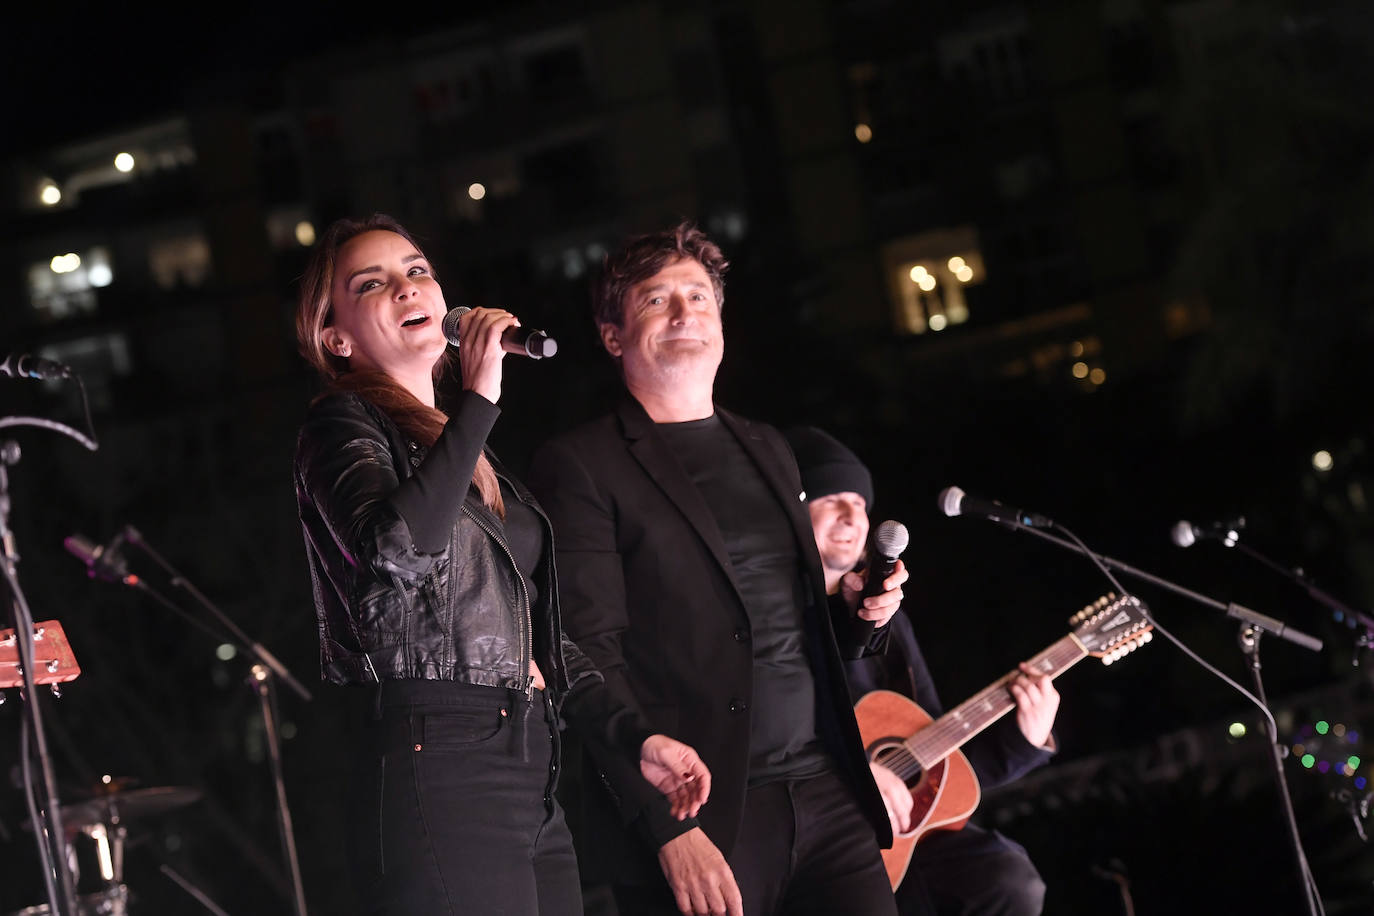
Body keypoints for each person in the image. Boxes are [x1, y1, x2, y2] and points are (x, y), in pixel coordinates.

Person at [291, 214, 713, 915]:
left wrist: (632, 734)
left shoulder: (463, 455)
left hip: (528, 759)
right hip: (440, 752)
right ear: (335, 337)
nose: (406, 287)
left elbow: (534, 632)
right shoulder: (340, 425)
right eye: (374, 283)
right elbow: (394, 553)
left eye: (417, 269)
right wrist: (481, 402)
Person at [525, 222, 908, 916]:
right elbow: (580, 649)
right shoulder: (582, 464)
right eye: (656, 301)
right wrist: (666, 827)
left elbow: (800, 630)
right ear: (613, 336)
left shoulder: (768, 446)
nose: (684, 314)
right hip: (701, 810)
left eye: (699, 297)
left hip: (826, 791)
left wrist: (857, 618)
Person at [784, 425, 1056, 916]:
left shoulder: (888, 614)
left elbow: (930, 762)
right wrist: (851, 780)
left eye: (861, 503)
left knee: (1007, 880)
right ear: (791, 509)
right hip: (812, 832)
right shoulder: (769, 616)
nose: (853, 516)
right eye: (831, 498)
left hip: (899, 844)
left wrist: (1023, 741)